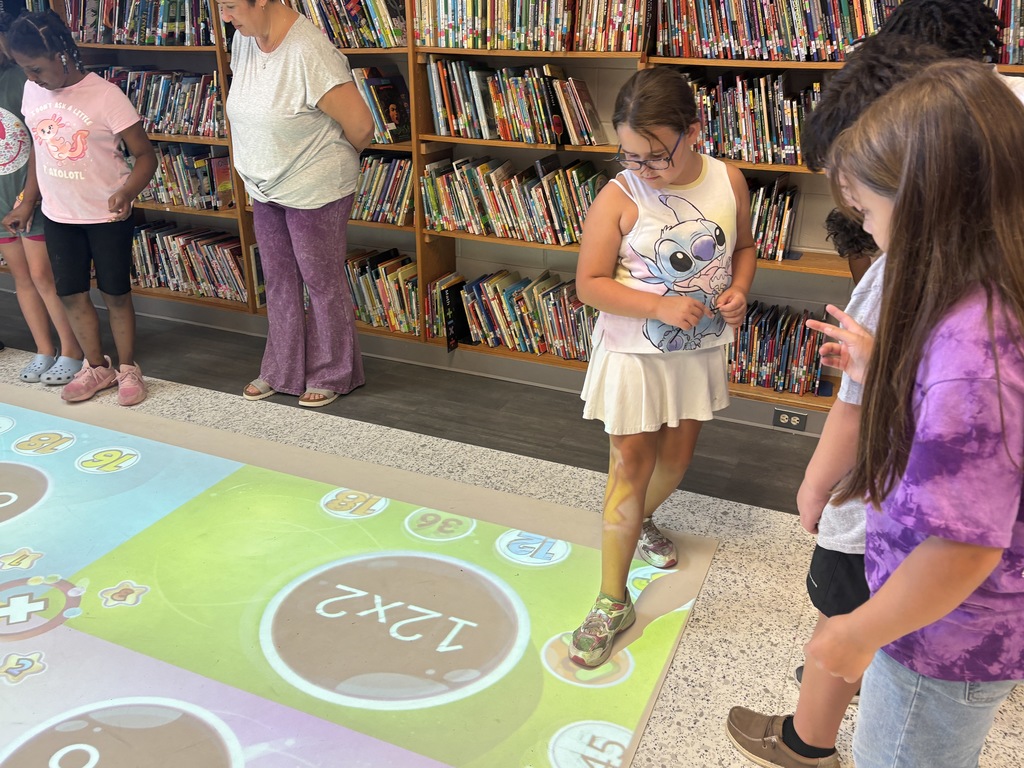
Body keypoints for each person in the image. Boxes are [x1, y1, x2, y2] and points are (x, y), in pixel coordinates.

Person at [725, 35, 950, 768]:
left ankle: (805, 741)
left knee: (842, 619)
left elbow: (857, 409)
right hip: (912, 523)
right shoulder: (976, 259)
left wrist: (816, 481)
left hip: (879, 512)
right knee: (858, 629)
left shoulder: (899, 275)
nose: (849, 205)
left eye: (855, 190)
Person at [804, 60, 1024, 768]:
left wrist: (860, 630)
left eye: (868, 213)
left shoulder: (971, 352)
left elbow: (964, 546)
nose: (866, 230)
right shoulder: (984, 295)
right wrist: (884, 376)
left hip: (941, 640)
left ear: (927, 202)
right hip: (944, 617)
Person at [568, 66, 756, 667]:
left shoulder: (729, 180)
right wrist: (658, 304)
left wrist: (741, 290)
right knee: (630, 463)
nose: (642, 169)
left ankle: (638, 520)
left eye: (655, 156)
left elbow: (743, 248)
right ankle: (611, 597)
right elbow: (588, 285)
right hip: (632, 353)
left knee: (675, 463)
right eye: (629, 154)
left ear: (694, 131)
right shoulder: (619, 195)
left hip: (698, 348)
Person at [218, 0, 375, 408]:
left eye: (230, 5)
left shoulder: (310, 50)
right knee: (280, 280)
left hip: (314, 188)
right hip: (264, 185)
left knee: (321, 283)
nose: (225, 16)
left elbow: (361, 127)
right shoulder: (245, 40)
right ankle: (281, 370)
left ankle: (333, 373)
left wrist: (319, 162)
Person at [1, 10, 156, 406]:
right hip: (58, 215)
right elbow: (38, 145)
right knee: (71, 293)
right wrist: (28, 201)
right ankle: (95, 367)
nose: (32, 78)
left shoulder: (105, 95)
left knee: (116, 293)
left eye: (36, 68)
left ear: (62, 55)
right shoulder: (33, 91)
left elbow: (145, 156)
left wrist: (127, 192)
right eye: (23, 69)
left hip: (106, 216)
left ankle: (126, 368)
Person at [0, 8, 83, 386]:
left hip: (28, 197)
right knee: (22, 278)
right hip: (1, 203)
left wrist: (28, 198)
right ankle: (43, 349)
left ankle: (71, 349)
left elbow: (42, 139)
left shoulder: (23, 80)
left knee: (42, 274)